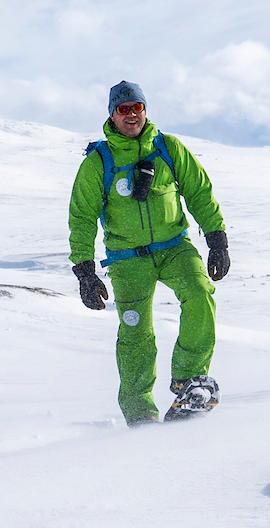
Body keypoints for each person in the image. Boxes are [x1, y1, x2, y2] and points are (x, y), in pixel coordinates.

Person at [67, 80, 230, 424]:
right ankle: (140, 413)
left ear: (145, 110)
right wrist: (85, 270)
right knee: (136, 334)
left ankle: (189, 381)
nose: (131, 115)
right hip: (128, 260)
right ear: (112, 114)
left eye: (136, 108)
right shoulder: (99, 162)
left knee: (200, 295)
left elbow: (199, 191)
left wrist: (217, 238)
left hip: (175, 248)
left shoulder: (168, 148)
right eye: (123, 109)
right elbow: (81, 217)